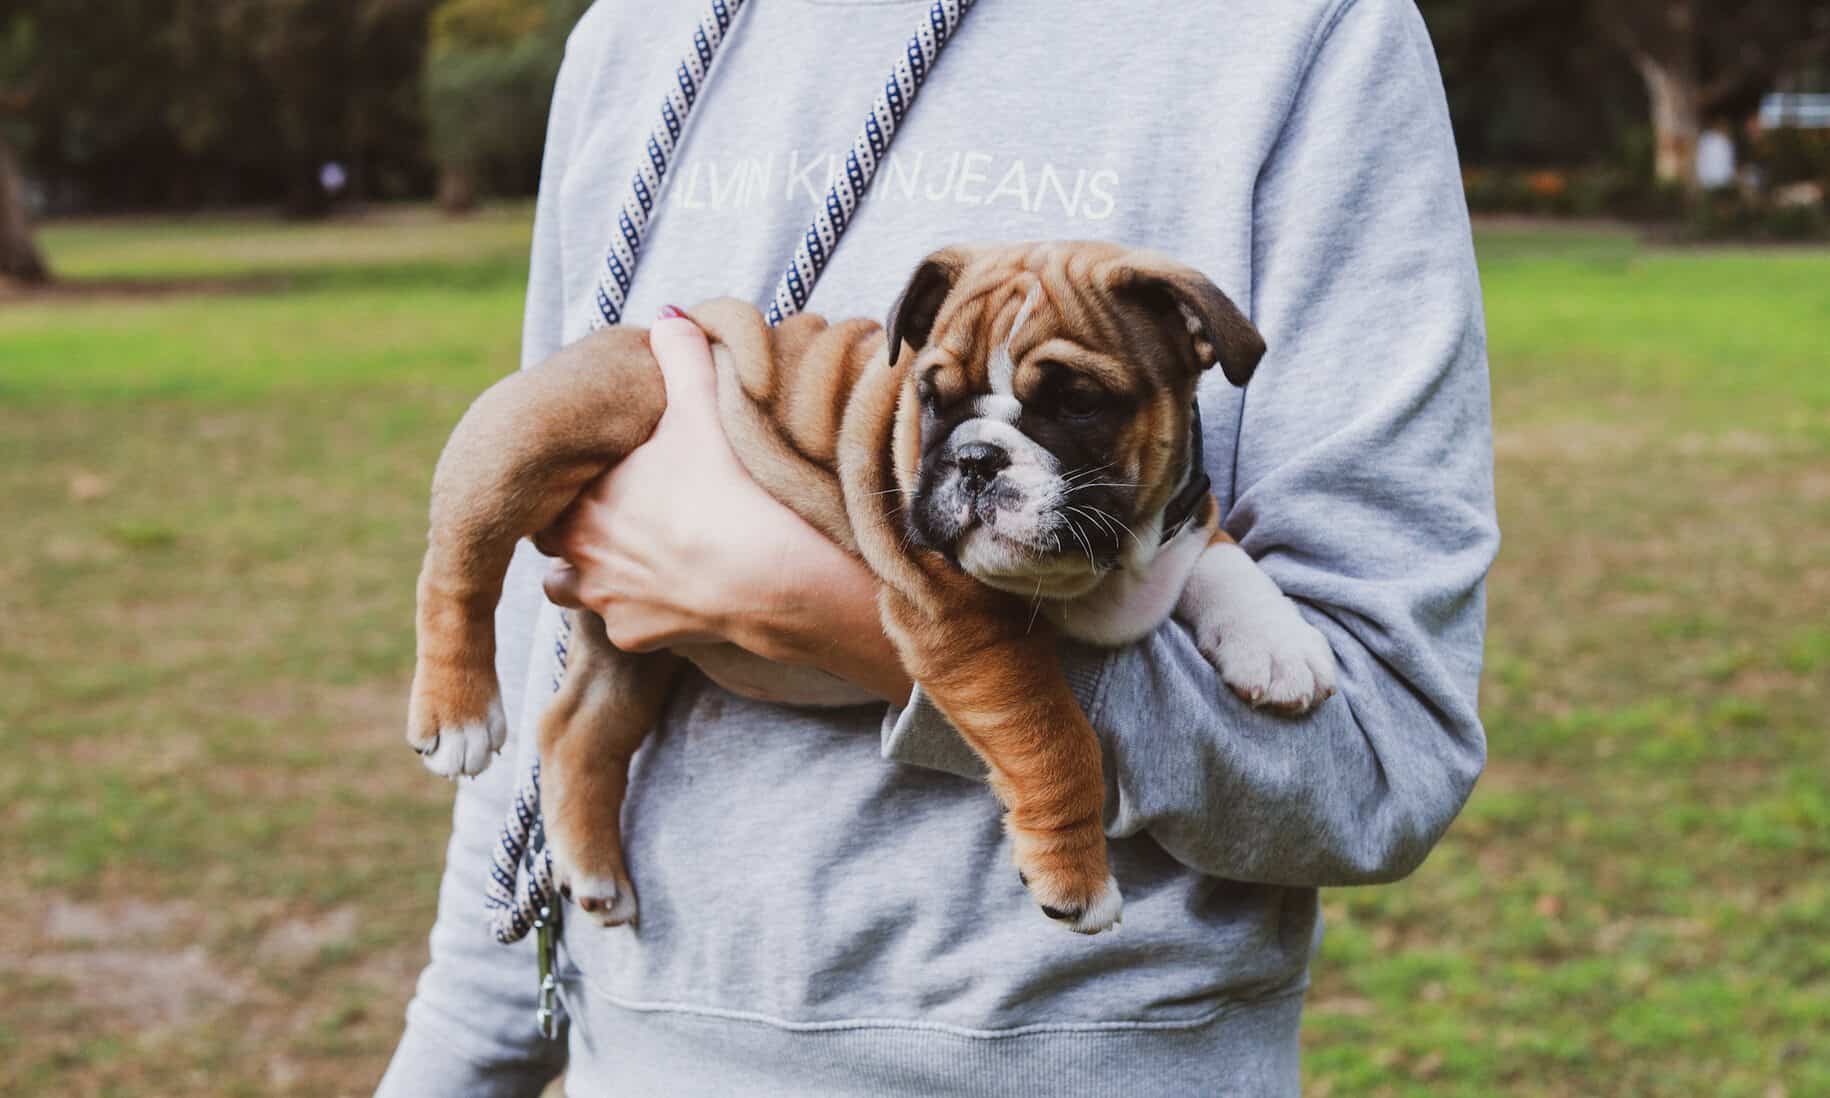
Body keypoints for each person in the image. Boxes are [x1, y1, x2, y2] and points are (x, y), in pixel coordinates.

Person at [376, 1, 1498, 1094]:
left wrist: (806, 601)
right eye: (945, 403)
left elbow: (1380, 762)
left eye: (1074, 404)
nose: (986, 454)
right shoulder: (633, 37)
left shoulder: (1303, 31)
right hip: (643, 1055)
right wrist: (462, 1049)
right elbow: (531, 655)